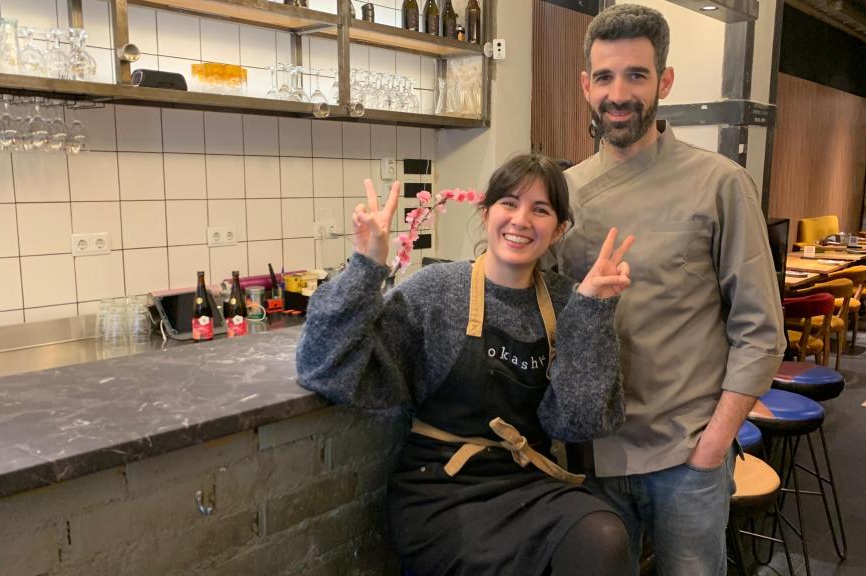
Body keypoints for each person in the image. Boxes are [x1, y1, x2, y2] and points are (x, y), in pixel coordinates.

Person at [296, 154, 636, 576]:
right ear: (486, 212)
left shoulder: (569, 300)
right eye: (509, 203)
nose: (521, 219)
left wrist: (590, 314)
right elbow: (322, 368)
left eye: (541, 209)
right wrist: (366, 266)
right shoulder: (437, 291)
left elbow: (577, 424)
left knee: (602, 536)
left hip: (527, 481)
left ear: (559, 229)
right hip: (441, 488)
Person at [550, 5, 787, 575]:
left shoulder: (720, 183)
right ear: (586, 86)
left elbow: (761, 331)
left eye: (637, 75)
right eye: (605, 77)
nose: (619, 93)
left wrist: (714, 445)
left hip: (684, 454)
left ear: (666, 81)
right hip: (589, 455)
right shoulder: (564, 192)